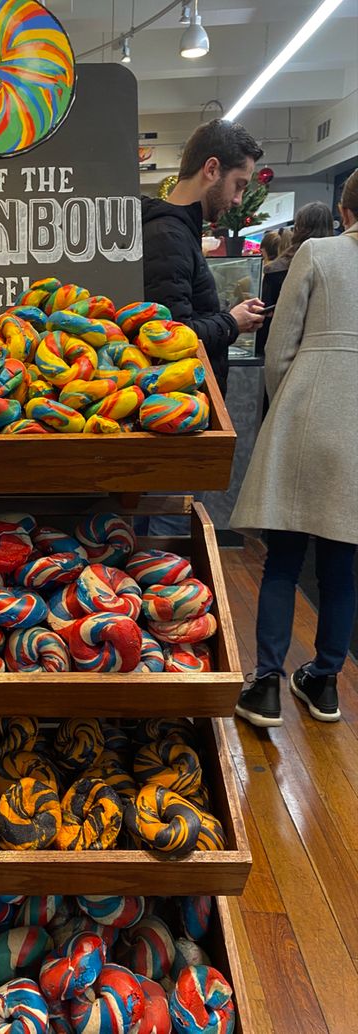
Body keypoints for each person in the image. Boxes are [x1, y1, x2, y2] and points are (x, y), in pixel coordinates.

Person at [231, 168, 358, 728]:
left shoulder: (319, 253)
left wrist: (289, 406)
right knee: (342, 563)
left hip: (311, 404)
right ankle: (325, 680)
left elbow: (280, 347)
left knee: (283, 557)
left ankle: (265, 686)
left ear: (345, 211)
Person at [142, 119, 266, 396]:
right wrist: (232, 322)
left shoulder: (177, 232)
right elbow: (171, 336)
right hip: (180, 406)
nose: (238, 199)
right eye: (239, 184)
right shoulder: (168, 236)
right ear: (211, 169)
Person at [255, 203, 334, 357]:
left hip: (284, 347)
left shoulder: (277, 269)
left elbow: (266, 320)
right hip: (323, 349)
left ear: (298, 228)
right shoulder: (339, 265)